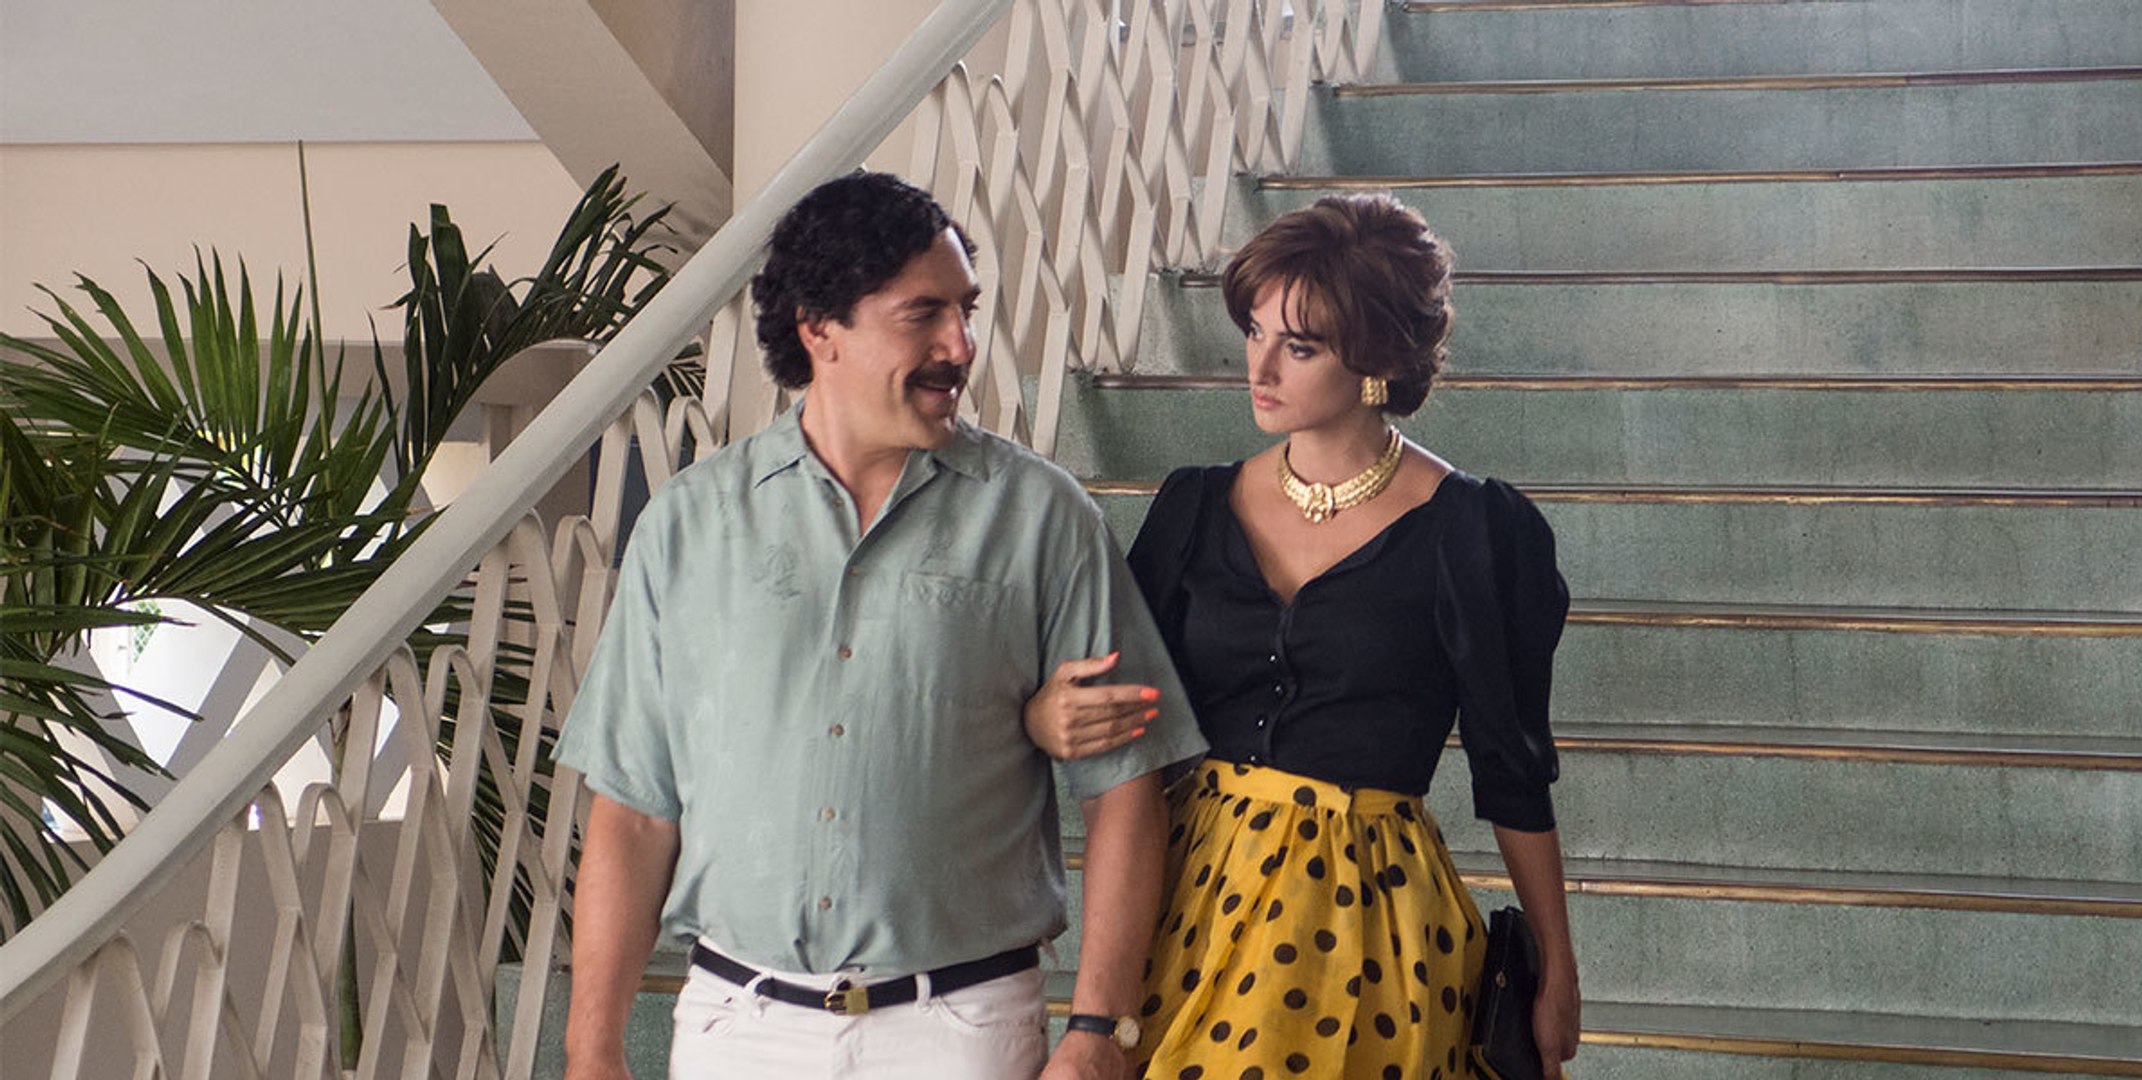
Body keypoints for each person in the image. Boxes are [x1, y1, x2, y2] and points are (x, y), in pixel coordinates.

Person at [554, 171, 1207, 1080]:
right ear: (819, 328)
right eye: (923, 314)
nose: (961, 345)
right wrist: (591, 1048)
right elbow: (631, 813)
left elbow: (1126, 786)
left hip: (960, 1028)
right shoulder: (689, 524)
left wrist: (1100, 1028)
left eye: (966, 310)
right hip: (736, 1029)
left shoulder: (1042, 517)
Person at [1027, 193, 1581, 1078]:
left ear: (1377, 360)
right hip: (1190, 898)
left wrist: (1557, 965)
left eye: (1300, 345)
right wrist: (1044, 715)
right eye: (1254, 331)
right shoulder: (1193, 506)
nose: (1260, 366)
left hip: (1367, 917)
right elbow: (1122, 723)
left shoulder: (1477, 531)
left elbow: (1511, 768)